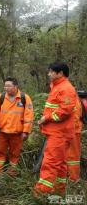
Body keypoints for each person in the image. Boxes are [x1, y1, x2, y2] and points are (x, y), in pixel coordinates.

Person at [33, 61, 77, 198]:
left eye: (51, 71)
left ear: (60, 73)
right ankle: (58, 192)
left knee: (50, 163)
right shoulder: (57, 87)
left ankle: (40, 194)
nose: (48, 74)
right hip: (57, 132)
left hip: (60, 133)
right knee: (60, 164)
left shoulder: (66, 88)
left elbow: (64, 111)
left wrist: (46, 118)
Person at [0, 77, 34, 176]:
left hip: (17, 133)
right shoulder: (1, 97)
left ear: (15, 86)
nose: (6, 88)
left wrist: (26, 132)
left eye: (9, 86)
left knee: (15, 155)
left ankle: (12, 175)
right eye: (5, 86)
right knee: (0, 153)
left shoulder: (24, 98)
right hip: (2, 132)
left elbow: (29, 116)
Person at [66, 99, 83, 182]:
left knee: (73, 158)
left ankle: (73, 179)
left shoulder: (73, 99)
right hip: (68, 132)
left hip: (73, 133)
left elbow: (75, 120)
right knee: (67, 156)